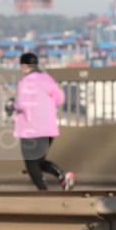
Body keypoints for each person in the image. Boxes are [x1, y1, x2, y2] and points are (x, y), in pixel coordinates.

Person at [12, 52, 75, 191]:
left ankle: (43, 192)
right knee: (38, 161)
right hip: (48, 129)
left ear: (23, 65)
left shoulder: (26, 82)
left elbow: (22, 103)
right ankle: (62, 177)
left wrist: (12, 105)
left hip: (30, 129)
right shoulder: (48, 79)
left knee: (31, 163)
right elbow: (60, 99)